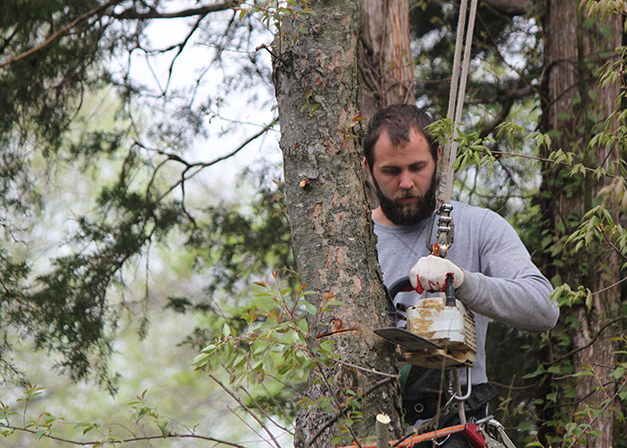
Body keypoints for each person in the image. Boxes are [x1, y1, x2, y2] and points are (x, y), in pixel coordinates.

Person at [363, 104, 559, 442]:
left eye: (418, 167)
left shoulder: (478, 227)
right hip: (378, 430)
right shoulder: (351, 244)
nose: (406, 182)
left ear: (438, 157)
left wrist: (464, 281)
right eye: (391, 171)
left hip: (460, 423)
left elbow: (544, 307)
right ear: (368, 168)